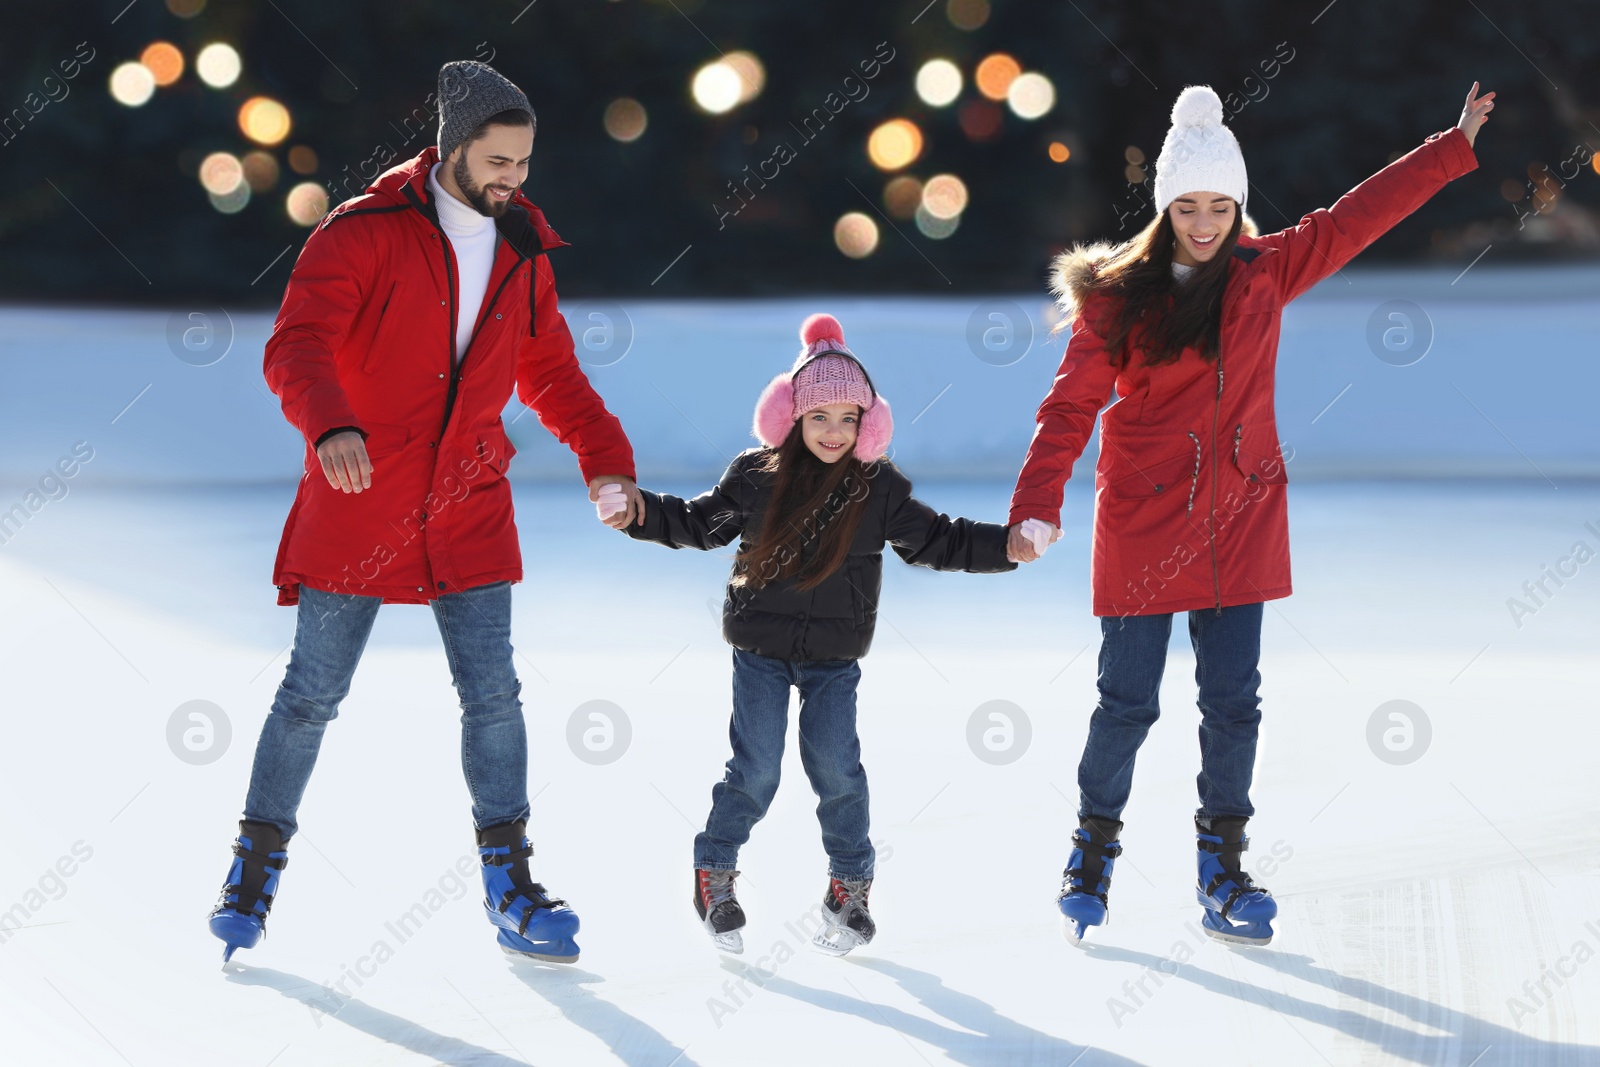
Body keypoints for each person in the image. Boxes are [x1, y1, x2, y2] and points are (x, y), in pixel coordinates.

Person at [1007, 82, 1494, 946]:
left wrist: (1449, 146)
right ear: (1164, 206)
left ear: (1239, 203)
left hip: (1239, 516)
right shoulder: (1119, 296)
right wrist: (1037, 503)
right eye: (1187, 206)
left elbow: (1355, 217)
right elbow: (1068, 408)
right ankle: (1091, 852)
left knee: (1234, 705)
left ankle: (1223, 870)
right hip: (1146, 522)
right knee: (1127, 704)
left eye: (1220, 205)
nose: (1204, 222)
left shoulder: (1264, 273)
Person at [208, 60, 642, 965]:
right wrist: (330, 425)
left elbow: (552, 374)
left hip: (469, 502)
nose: (513, 180)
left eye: (524, 163)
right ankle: (254, 861)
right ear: (451, 148)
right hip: (361, 498)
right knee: (311, 694)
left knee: (494, 695)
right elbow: (297, 345)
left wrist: (606, 463)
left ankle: (510, 880)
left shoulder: (520, 249)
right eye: (497, 161)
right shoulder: (361, 234)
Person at [602, 313, 1018, 956]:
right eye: (819, 416)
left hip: (833, 659)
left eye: (848, 418)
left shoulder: (879, 489)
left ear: (867, 424)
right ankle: (714, 871)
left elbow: (940, 539)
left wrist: (1008, 546)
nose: (833, 431)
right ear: (791, 417)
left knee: (838, 770)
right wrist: (637, 512)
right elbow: (695, 523)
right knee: (757, 770)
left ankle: (848, 891)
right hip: (761, 652)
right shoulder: (757, 475)